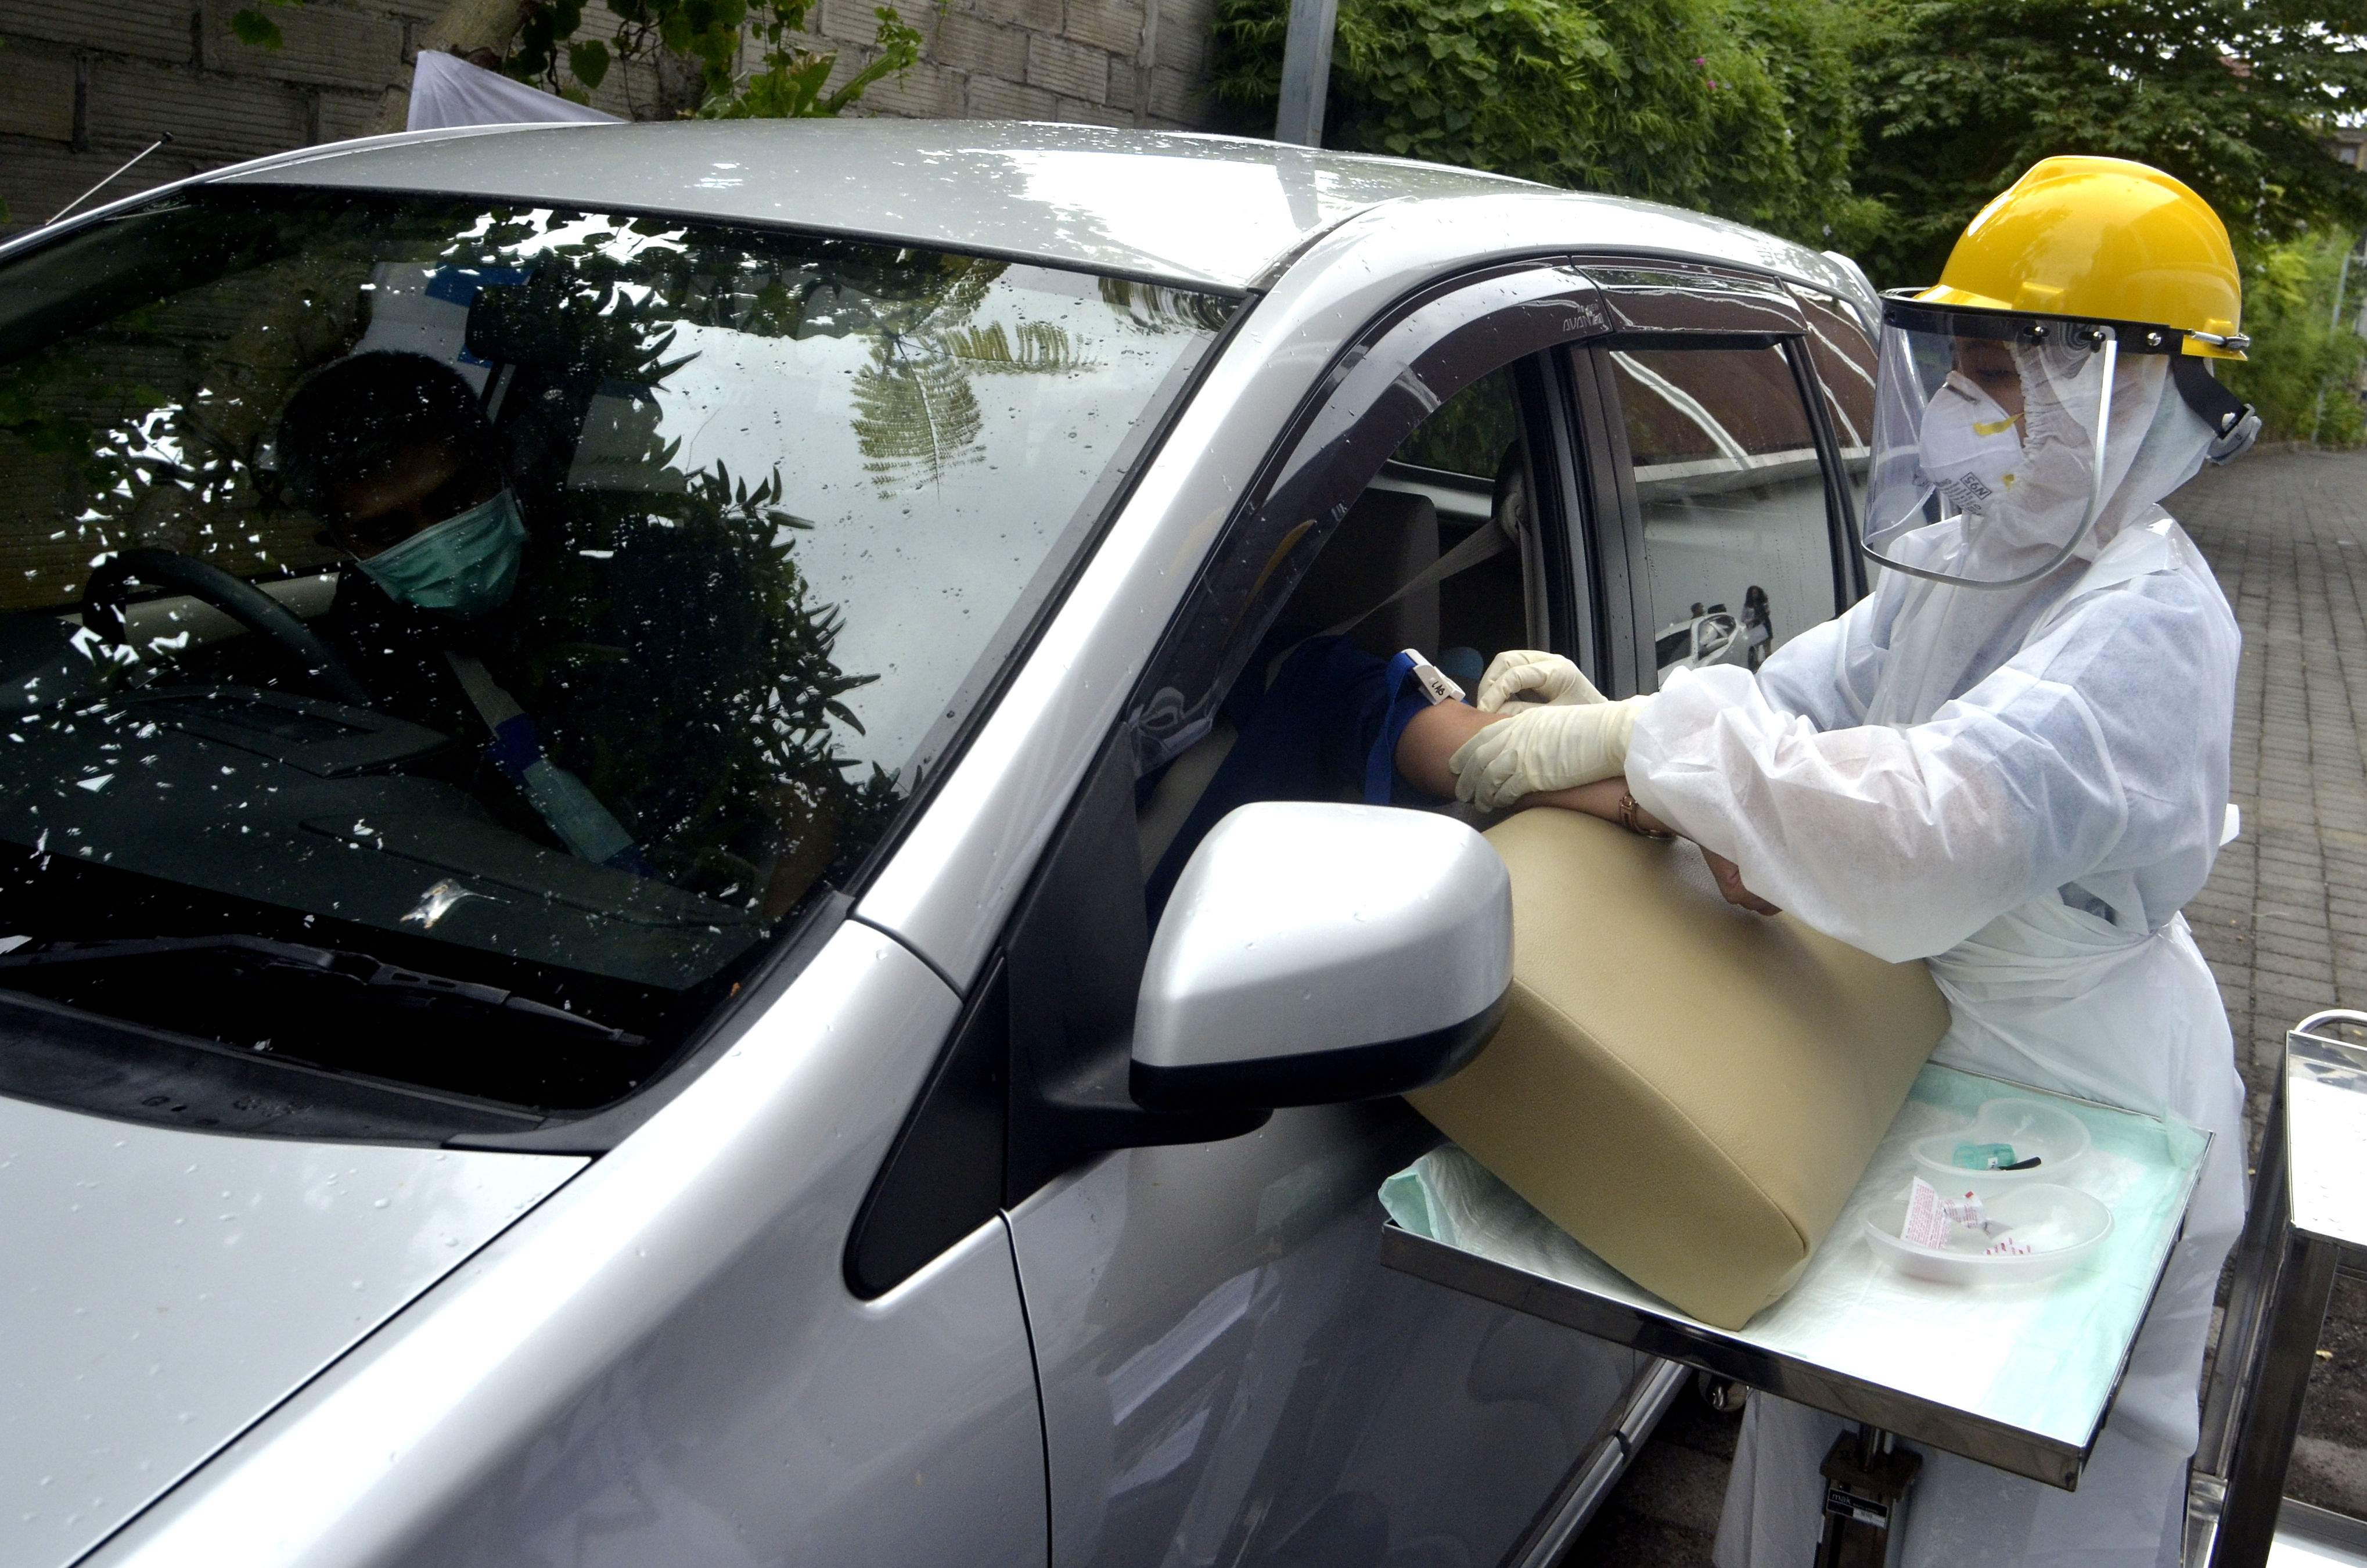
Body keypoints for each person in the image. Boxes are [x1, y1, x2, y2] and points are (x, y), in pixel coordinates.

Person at [1441, 156, 2262, 1567]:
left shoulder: (2151, 631)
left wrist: (1643, 754)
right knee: (1819, 1446)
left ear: (2128, 388)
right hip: (1893, 1072)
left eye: (2003, 373)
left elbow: (1913, 837)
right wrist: (1635, 726)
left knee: (2001, 1510)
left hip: (2077, 1117)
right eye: (1958, 367)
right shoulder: (1963, 562)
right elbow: (1797, 710)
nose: (1960, 408)